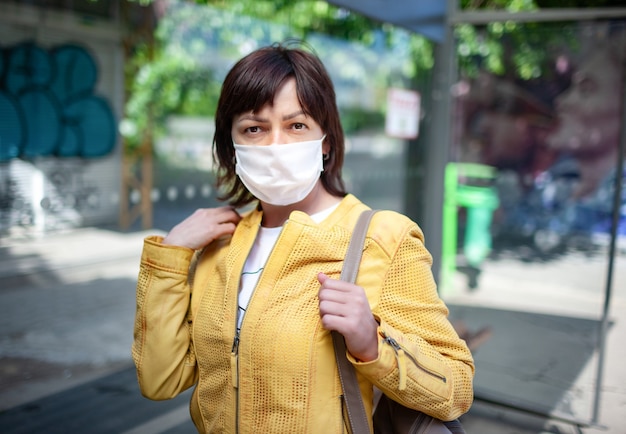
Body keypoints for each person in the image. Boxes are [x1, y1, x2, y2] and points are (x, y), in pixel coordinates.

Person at [132, 42, 475, 433]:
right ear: (232, 146)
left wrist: (372, 345)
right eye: (254, 128)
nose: (276, 145)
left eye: (296, 126)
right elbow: (161, 381)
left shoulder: (383, 239)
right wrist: (171, 256)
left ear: (325, 140)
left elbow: (457, 387)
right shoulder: (219, 245)